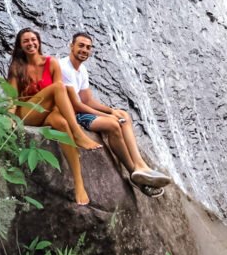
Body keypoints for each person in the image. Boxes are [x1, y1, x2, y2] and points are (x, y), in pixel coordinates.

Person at [59, 32, 172, 196]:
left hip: (80, 111)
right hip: (71, 114)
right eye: (81, 45)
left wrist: (111, 111)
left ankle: (141, 165)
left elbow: (87, 100)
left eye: (88, 47)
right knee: (113, 124)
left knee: (123, 115)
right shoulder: (64, 67)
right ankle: (134, 172)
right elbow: (76, 105)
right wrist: (107, 117)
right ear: (71, 46)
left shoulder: (81, 70)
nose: (84, 50)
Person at [7, 28, 101, 206]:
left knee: (61, 123)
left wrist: (59, 114)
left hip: (48, 113)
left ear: (39, 42)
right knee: (59, 87)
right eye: (26, 41)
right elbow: (12, 99)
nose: (31, 43)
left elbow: (62, 100)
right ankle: (79, 134)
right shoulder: (17, 67)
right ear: (20, 45)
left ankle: (79, 184)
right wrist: (11, 118)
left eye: (33, 40)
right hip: (28, 113)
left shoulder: (52, 63)